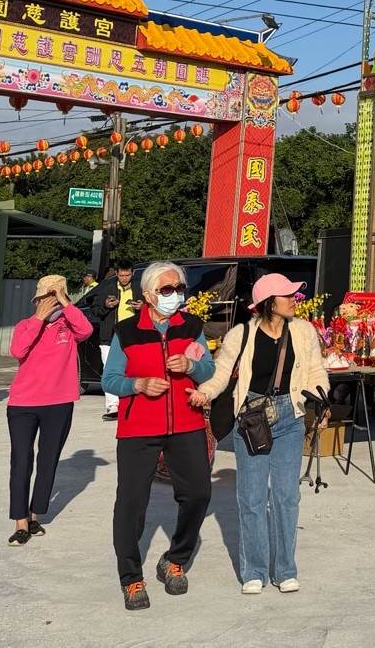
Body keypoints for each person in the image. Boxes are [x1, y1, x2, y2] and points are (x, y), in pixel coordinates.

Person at [192, 272, 329, 595]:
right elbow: (222, 373)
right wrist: (205, 393)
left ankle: (285, 570)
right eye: (288, 295)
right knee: (252, 499)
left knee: (286, 497)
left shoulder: (303, 331)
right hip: (251, 418)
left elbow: (315, 370)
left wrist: (321, 401)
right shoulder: (241, 334)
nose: (296, 300)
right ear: (269, 302)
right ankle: (253, 570)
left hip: (290, 416)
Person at [101, 261, 215, 611]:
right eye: (167, 290)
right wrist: (138, 384)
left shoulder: (192, 326)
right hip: (139, 429)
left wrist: (192, 367)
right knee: (132, 504)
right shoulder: (126, 331)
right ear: (149, 295)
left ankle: (175, 558)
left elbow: (209, 368)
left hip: (187, 424)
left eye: (180, 289)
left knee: (198, 494)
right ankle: (130, 577)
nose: (176, 295)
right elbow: (110, 380)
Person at [6, 275, 95, 546]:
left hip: (59, 402)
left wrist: (66, 303)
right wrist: (38, 319)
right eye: (44, 298)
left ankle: (35, 516)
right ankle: (19, 519)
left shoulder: (69, 326)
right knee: (22, 461)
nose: (48, 303)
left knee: (48, 461)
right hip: (23, 404)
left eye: (53, 298)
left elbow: (87, 330)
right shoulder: (25, 325)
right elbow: (17, 350)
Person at [96, 261, 138, 422]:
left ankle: (131, 403)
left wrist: (141, 307)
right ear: (116, 273)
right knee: (110, 370)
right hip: (110, 335)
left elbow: (151, 307)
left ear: (132, 273)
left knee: (133, 369)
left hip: (134, 335)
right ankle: (113, 406)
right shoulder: (107, 287)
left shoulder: (139, 288)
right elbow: (95, 309)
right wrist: (106, 305)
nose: (124, 278)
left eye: (127, 275)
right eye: (121, 275)